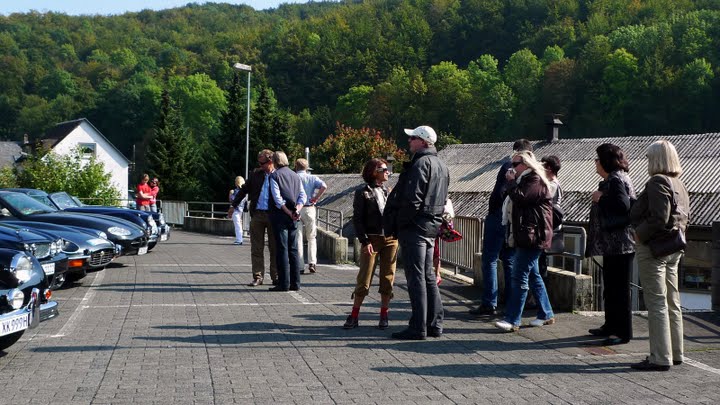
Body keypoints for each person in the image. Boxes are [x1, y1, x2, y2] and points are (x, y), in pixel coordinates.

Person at [384, 125, 449, 340]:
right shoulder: (441, 165)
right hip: (432, 225)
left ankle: (418, 326)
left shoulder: (420, 164)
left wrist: (399, 223)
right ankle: (434, 324)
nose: (409, 141)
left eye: (412, 137)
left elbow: (413, 200)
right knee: (428, 275)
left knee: (416, 277)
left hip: (416, 227)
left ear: (422, 141)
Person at [629, 140, 690, 371]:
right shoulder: (680, 183)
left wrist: (639, 235)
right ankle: (676, 353)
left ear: (656, 159)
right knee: (673, 301)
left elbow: (658, 218)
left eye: (648, 157)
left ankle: (659, 357)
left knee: (656, 302)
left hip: (654, 248)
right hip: (674, 247)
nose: (646, 161)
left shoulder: (657, 181)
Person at [469, 139, 532, 317]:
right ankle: (511, 299)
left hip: (499, 215)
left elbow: (499, 192)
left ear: (516, 151)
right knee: (509, 258)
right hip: (514, 219)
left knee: (489, 258)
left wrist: (493, 211)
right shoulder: (532, 172)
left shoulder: (508, 167)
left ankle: (489, 302)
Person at [495, 150, 555, 332]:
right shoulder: (526, 179)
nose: (512, 168)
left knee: (519, 275)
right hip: (528, 234)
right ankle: (546, 313)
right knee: (533, 275)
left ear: (526, 165)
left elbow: (520, 198)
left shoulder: (534, 180)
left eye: (515, 164)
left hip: (533, 236)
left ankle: (513, 319)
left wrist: (511, 182)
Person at [586, 144, 636, 346]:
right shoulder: (617, 177)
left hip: (620, 245)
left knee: (619, 290)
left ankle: (621, 332)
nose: (595, 162)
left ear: (606, 161)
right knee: (611, 288)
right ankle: (610, 325)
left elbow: (623, 206)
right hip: (614, 245)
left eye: (598, 159)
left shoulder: (616, 179)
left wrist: (601, 198)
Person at [344, 158, 398, 329]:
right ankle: (354, 316)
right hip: (372, 239)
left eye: (387, 169)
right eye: (383, 169)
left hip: (390, 239)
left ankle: (384, 315)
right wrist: (364, 240)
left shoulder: (388, 191)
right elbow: (358, 219)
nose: (387, 172)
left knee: (388, 278)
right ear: (374, 172)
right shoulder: (363, 192)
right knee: (364, 278)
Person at [231, 150, 278, 286]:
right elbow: (243, 190)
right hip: (257, 214)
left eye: (262, 163)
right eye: (259, 163)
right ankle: (258, 276)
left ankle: (276, 276)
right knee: (256, 248)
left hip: (274, 215)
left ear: (271, 161)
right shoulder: (255, 174)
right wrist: (233, 205)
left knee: (275, 248)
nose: (260, 165)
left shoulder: (279, 174)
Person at [267, 151, 306, 292]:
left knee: (282, 249)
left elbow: (277, 199)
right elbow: (303, 196)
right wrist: (297, 210)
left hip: (280, 216)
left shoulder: (274, 176)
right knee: (293, 249)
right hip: (294, 216)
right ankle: (295, 283)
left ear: (275, 162)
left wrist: (288, 212)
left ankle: (283, 283)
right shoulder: (295, 175)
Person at [295, 158, 327, 274]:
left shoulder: (294, 177)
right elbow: (324, 186)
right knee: (311, 237)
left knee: (298, 238)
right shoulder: (312, 178)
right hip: (309, 208)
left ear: (296, 166)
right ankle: (312, 262)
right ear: (307, 167)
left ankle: (300, 266)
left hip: (297, 209)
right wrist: (316, 198)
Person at [538, 155, 562, 279]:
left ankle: (542, 287)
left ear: (549, 169)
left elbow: (541, 197)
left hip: (548, 226)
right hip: (547, 225)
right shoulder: (551, 184)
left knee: (541, 262)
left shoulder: (552, 185)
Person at [229, 176, 247, 245]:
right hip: (241, 210)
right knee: (239, 224)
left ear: (236, 182)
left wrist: (231, 194)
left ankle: (239, 240)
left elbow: (232, 201)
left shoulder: (234, 191)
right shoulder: (244, 191)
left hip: (235, 210)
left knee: (237, 225)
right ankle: (239, 239)